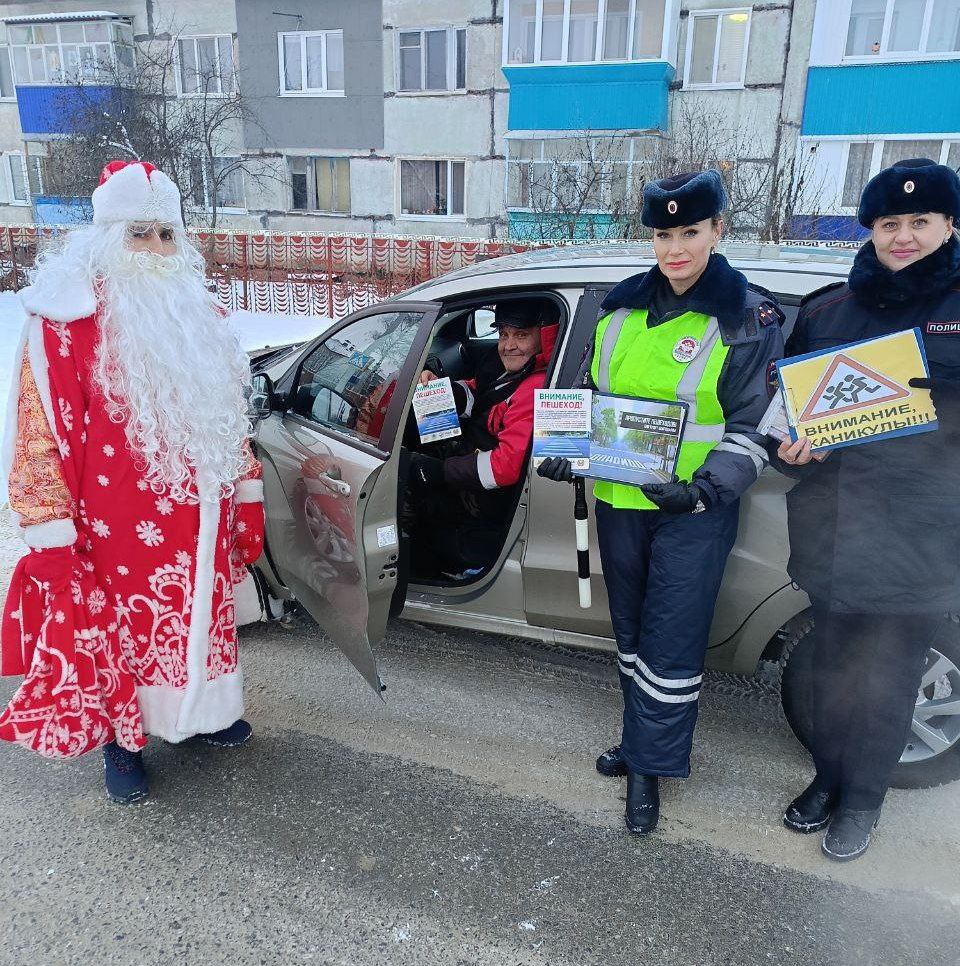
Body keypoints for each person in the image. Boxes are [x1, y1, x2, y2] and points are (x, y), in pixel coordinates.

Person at [0, 160, 264, 804]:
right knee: (123, 633)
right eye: (138, 234)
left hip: (199, 516)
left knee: (200, 617)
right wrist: (49, 529)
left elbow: (231, 416)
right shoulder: (66, 325)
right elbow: (38, 434)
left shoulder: (200, 315)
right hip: (114, 530)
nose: (154, 249)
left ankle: (201, 712)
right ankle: (124, 742)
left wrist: (246, 491)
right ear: (106, 239)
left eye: (165, 235)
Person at [538, 170, 785, 834]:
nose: (676, 249)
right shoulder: (618, 311)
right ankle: (638, 742)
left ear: (717, 231)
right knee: (632, 637)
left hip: (694, 512)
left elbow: (754, 424)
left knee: (670, 643)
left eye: (690, 232)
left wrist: (703, 492)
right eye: (664, 234)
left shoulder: (746, 316)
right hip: (621, 502)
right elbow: (592, 397)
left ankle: (649, 772)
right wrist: (569, 451)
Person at [777, 157, 960, 862]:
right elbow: (788, 411)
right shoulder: (828, 311)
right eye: (891, 223)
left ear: (948, 224)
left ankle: (862, 803)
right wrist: (791, 445)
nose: (905, 235)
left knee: (888, 677)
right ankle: (826, 779)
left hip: (923, 532)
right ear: (871, 229)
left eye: (920, 221)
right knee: (830, 665)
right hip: (833, 526)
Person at [404, 301, 558, 576]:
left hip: (488, 505)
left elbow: (505, 468)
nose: (508, 345)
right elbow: (483, 391)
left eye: (521, 335)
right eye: (503, 334)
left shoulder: (536, 388)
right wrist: (442, 389)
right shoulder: (512, 369)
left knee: (417, 529)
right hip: (472, 485)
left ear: (543, 335)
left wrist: (439, 472)